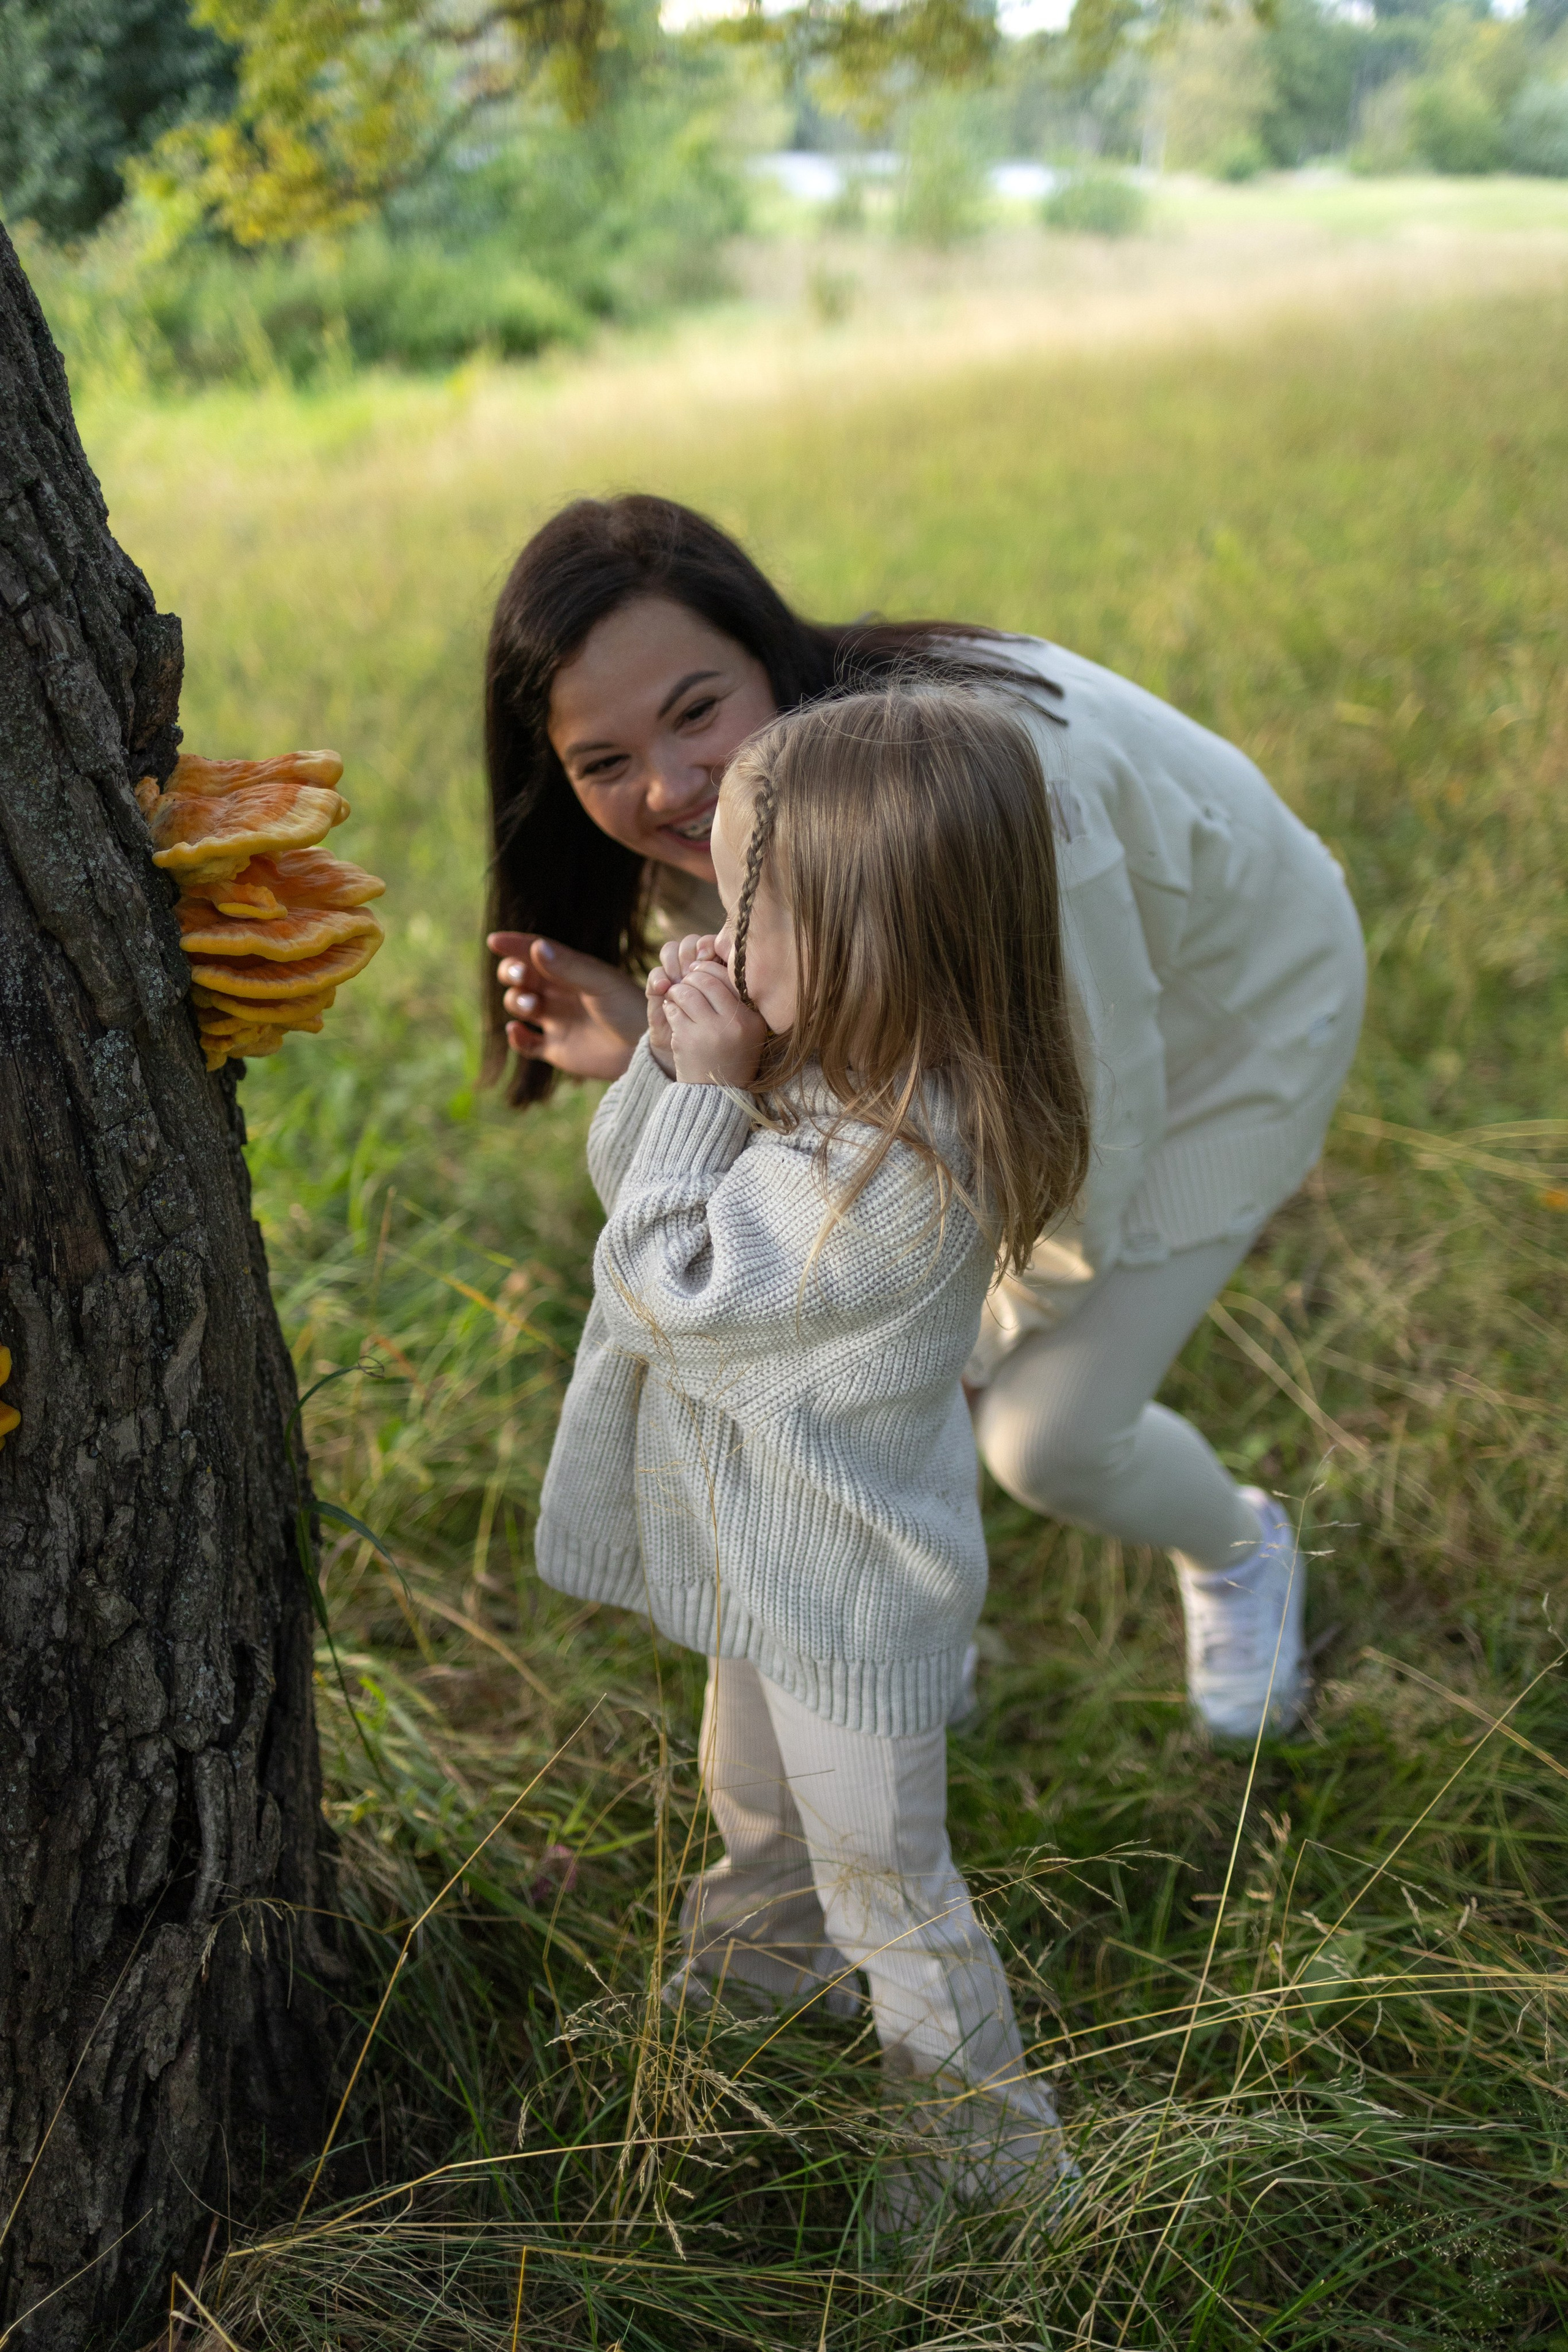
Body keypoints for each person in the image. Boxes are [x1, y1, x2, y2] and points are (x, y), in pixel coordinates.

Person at [487, 494, 1366, 1742]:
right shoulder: (772, 801)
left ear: (769, 655)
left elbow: (1080, 1121)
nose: (670, 787)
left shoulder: (986, 794)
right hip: (1077, 1036)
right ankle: (916, 1613)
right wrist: (655, 1041)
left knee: (1046, 1433)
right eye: (603, 764)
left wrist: (977, 1333)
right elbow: (846, 1064)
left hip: (1227, 1021)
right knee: (901, 1339)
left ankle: (1242, 1548)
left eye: (696, 712)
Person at [534, 685, 1088, 2209]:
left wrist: (708, 1093)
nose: (712, 925)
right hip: (768, 1569)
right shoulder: (832, 1062)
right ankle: (761, 1967)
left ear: (862, 941)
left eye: (743, 903)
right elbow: (620, 1169)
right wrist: (669, 1065)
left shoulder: (898, 1159)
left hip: (847, 1599)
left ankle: (981, 2152)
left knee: (890, 1884)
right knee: (753, 1797)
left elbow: (669, 1279)